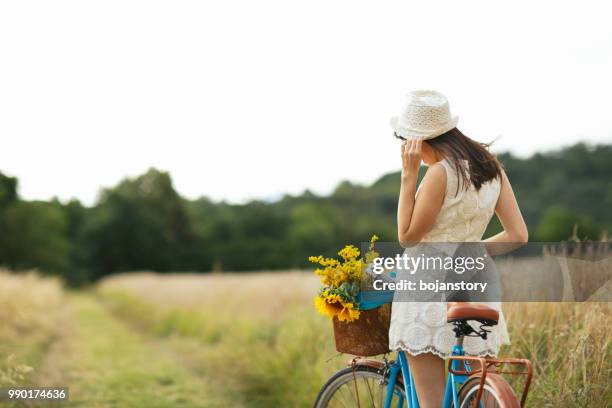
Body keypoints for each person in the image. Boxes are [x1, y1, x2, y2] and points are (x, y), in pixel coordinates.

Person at [388, 90, 528, 408]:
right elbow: (517, 234)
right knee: (474, 393)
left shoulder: (439, 174)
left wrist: (408, 177)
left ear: (417, 139)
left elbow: (407, 237)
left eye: (404, 139)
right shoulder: (492, 170)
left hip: (428, 286)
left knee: (431, 403)